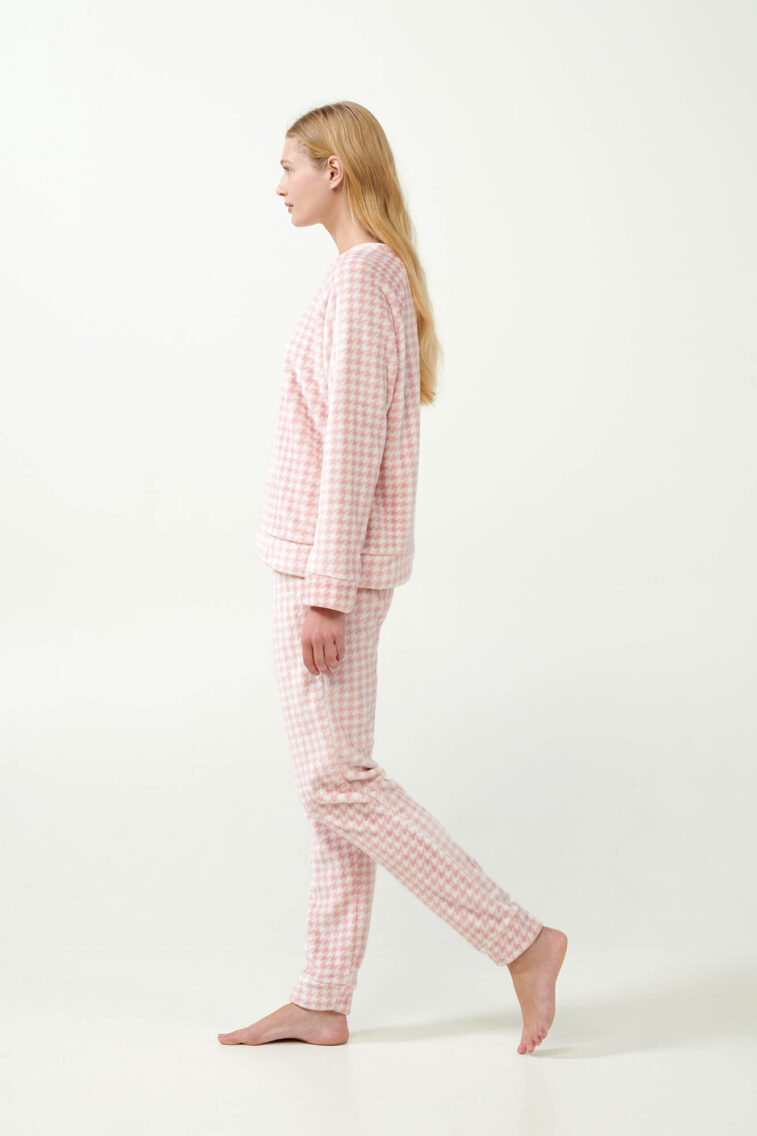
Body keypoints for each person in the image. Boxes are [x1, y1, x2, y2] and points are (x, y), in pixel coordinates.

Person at [218, 101, 567, 1055]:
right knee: (335, 790)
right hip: (324, 567)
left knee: (335, 783)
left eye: (288, 166)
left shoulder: (361, 279)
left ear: (333, 169)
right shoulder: (365, 277)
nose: (277, 185)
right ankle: (322, 998)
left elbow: (351, 450)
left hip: (322, 573)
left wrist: (325, 590)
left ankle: (522, 942)